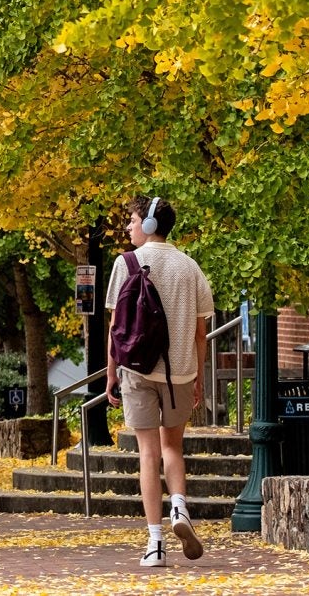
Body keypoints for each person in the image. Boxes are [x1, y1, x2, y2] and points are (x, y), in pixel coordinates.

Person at [106, 195, 213, 568]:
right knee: (173, 447)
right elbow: (201, 333)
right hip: (180, 372)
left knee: (147, 454)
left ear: (149, 224)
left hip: (136, 371)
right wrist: (197, 376)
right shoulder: (190, 267)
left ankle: (155, 545)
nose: (128, 227)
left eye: (133, 220)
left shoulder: (126, 263)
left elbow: (116, 328)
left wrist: (111, 374)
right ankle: (180, 508)